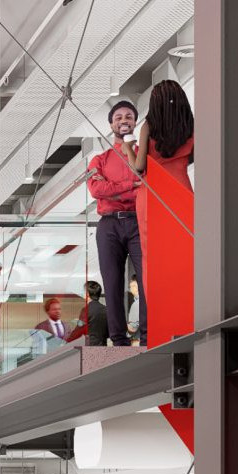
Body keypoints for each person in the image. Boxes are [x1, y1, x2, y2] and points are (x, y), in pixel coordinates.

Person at [89, 100, 145, 346]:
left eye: (129, 116)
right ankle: (119, 340)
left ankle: (148, 337)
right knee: (111, 283)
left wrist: (114, 190)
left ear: (135, 122)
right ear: (111, 124)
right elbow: (96, 189)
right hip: (109, 225)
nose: (124, 120)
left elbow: (148, 187)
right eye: (119, 117)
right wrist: (131, 185)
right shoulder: (99, 160)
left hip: (139, 221)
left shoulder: (144, 155)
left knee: (146, 281)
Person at [127, 78, 196, 193]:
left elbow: (139, 167)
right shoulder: (191, 126)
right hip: (182, 188)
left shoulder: (148, 126)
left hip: (156, 190)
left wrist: (128, 149)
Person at [81, 280, 109, 345]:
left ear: (87, 294)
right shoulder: (106, 310)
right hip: (103, 346)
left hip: (89, 346)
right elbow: (108, 332)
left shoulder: (85, 310)